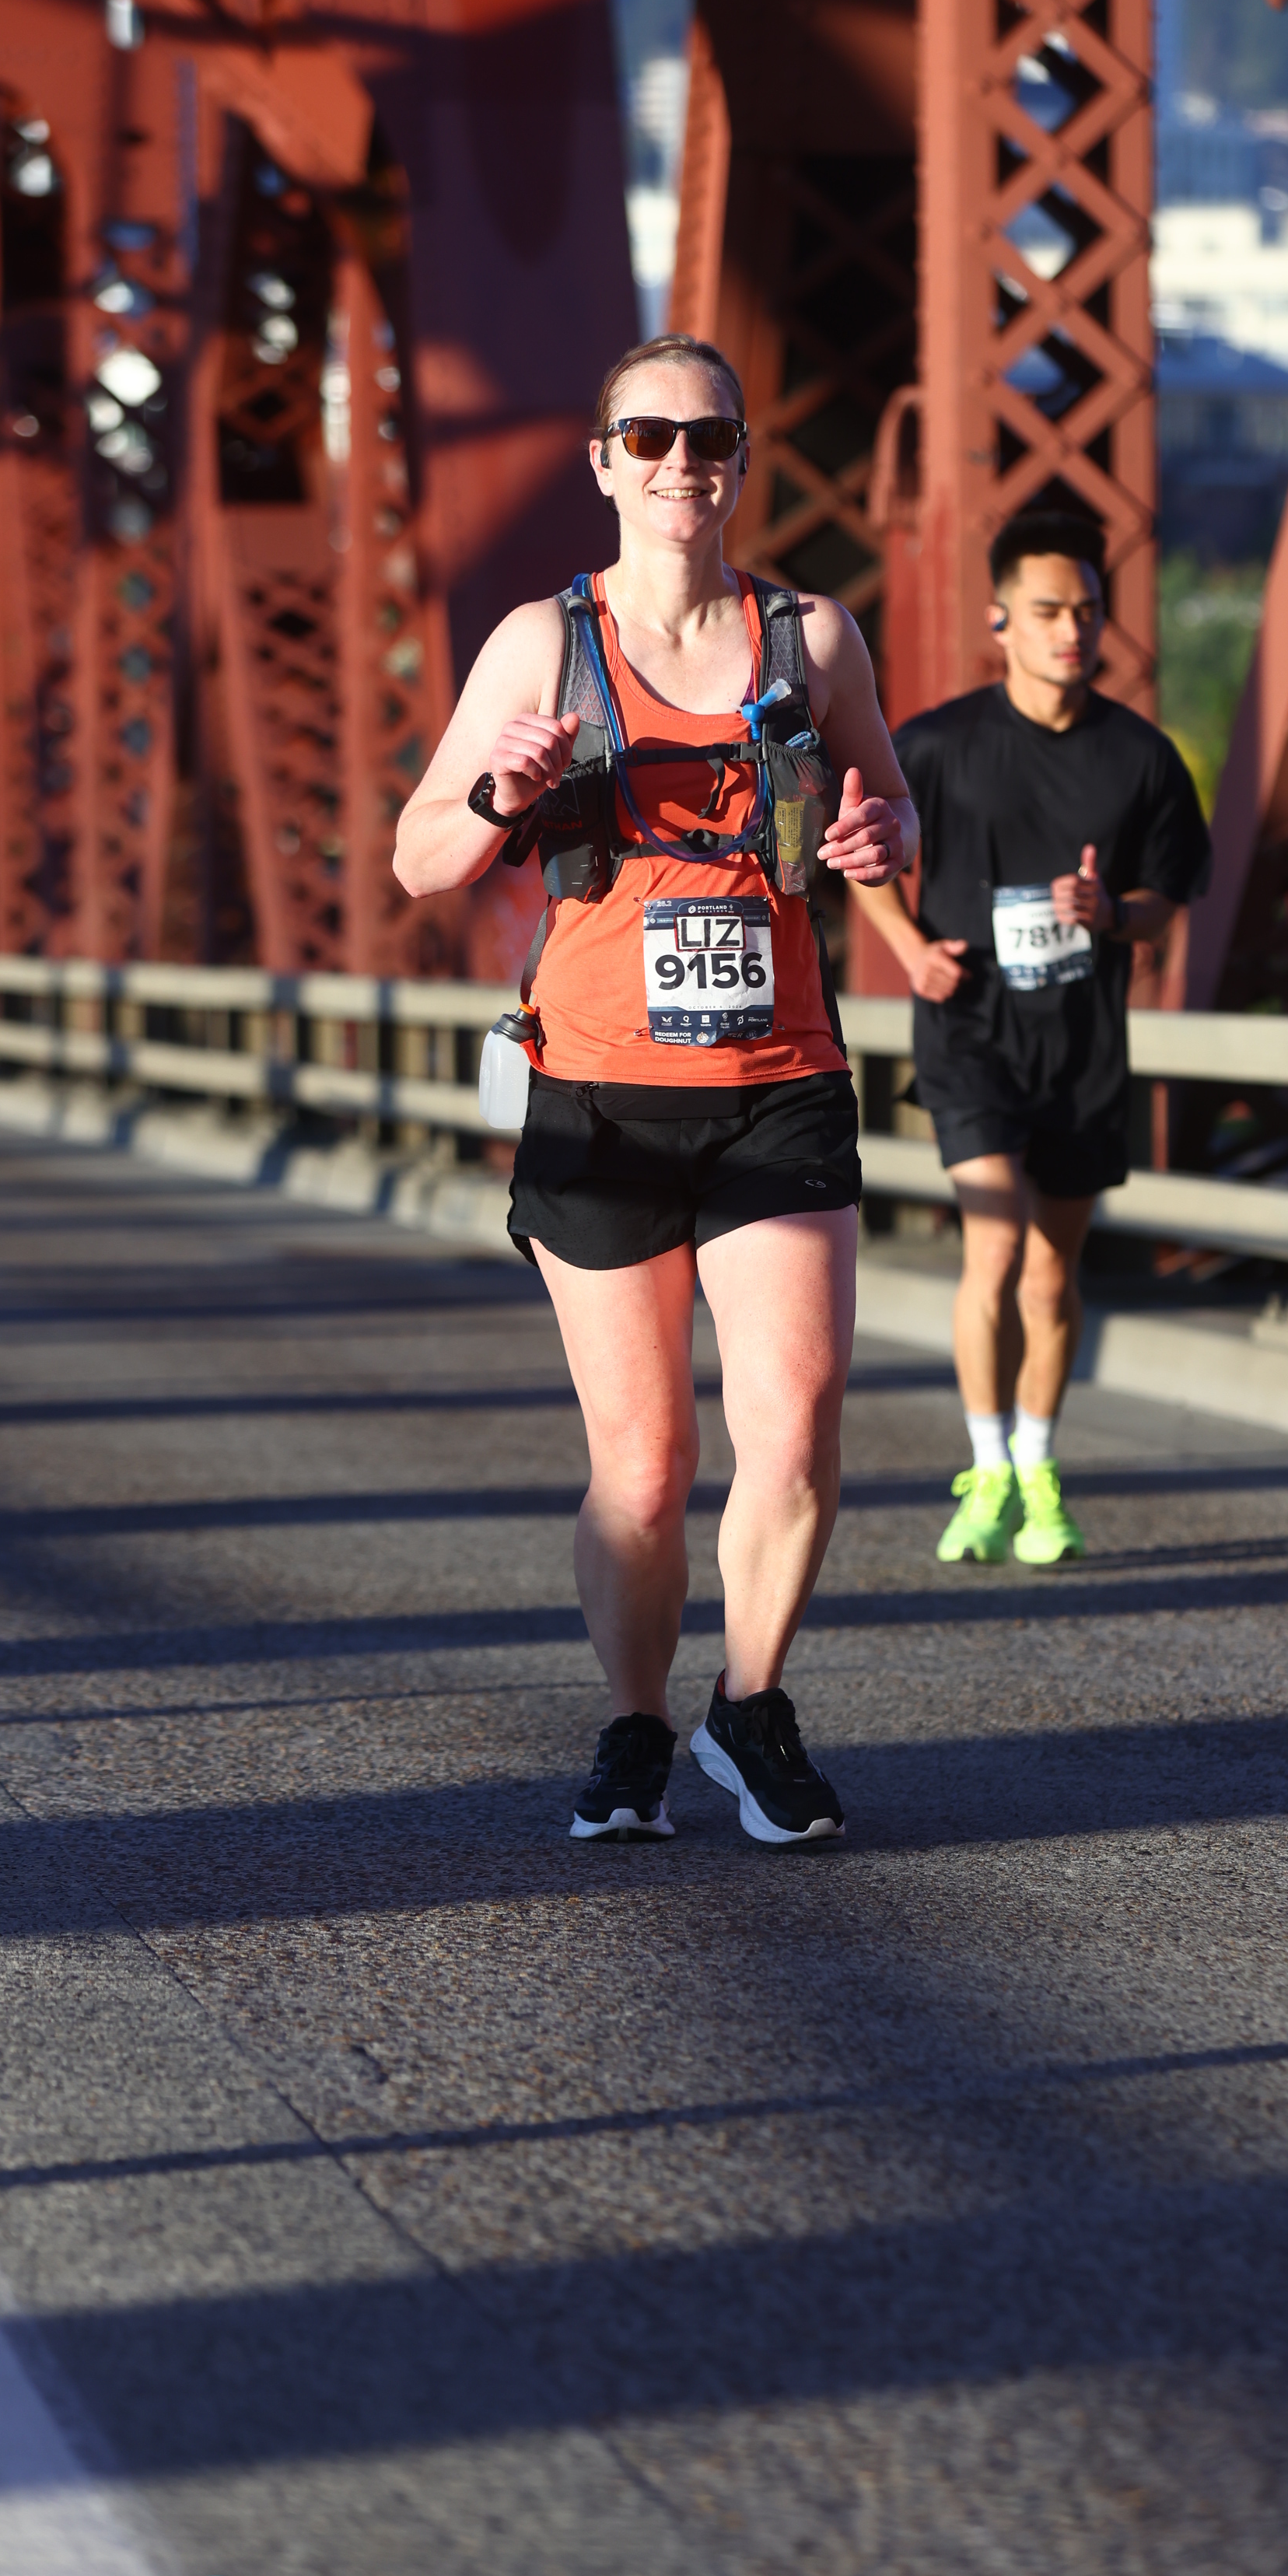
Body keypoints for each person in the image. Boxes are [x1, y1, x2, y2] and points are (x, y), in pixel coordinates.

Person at [393, 334, 915, 1846]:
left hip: (778, 1082)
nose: (682, 462)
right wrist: (497, 794)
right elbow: (418, 858)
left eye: (710, 438)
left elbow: (891, 808)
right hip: (601, 1097)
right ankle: (634, 1726)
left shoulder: (811, 637)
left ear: (740, 459)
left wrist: (880, 840)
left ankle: (750, 1707)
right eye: (651, 437)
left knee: (795, 1428)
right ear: (604, 463)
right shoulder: (540, 646)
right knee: (642, 1466)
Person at [849, 512, 1209, 1568]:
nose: (1071, 631)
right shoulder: (936, 744)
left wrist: (1112, 912)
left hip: (1081, 1045)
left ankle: (1040, 1467)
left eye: (1087, 612)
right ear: (1000, 619)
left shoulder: (1142, 758)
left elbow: (1166, 900)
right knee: (995, 1246)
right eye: (1048, 611)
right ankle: (987, 1468)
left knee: (1052, 1276)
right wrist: (910, 948)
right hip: (970, 1032)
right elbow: (861, 854)